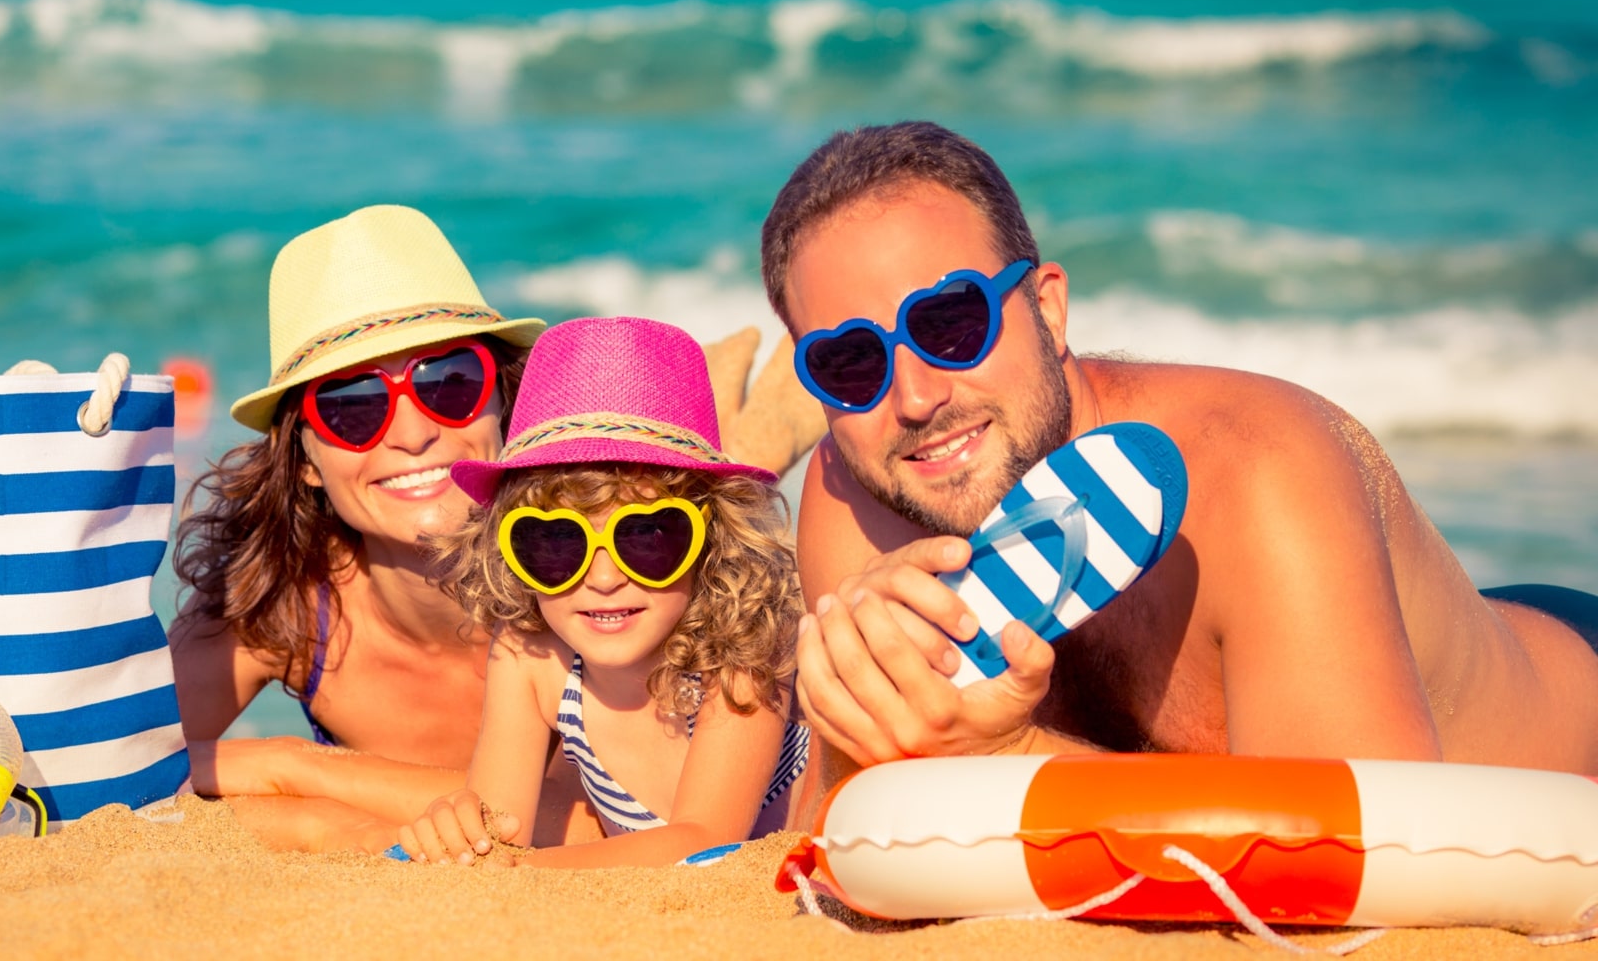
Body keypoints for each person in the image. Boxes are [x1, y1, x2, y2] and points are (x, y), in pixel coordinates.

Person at [762, 121, 1598, 790]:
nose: (912, 398)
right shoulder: (858, 492)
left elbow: (1362, 851)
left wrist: (1009, 759)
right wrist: (851, 721)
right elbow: (845, 824)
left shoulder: (1257, 469)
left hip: (1564, 699)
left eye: (951, 322)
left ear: (1047, 310)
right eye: (850, 364)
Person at [171, 205, 821, 851]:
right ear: (303, 456)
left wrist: (297, 770)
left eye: (448, 382)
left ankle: (736, 460)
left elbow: (598, 827)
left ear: (503, 401)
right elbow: (111, 768)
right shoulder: (283, 611)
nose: (414, 433)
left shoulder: (588, 605)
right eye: (353, 407)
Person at [398, 317, 810, 867]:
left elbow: (707, 841)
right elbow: (497, 829)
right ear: (508, 549)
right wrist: (457, 830)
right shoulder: (531, 655)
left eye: (646, 535)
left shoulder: (749, 643)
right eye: (555, 541)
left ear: (711, 539)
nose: (604, 578)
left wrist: (512, 871)